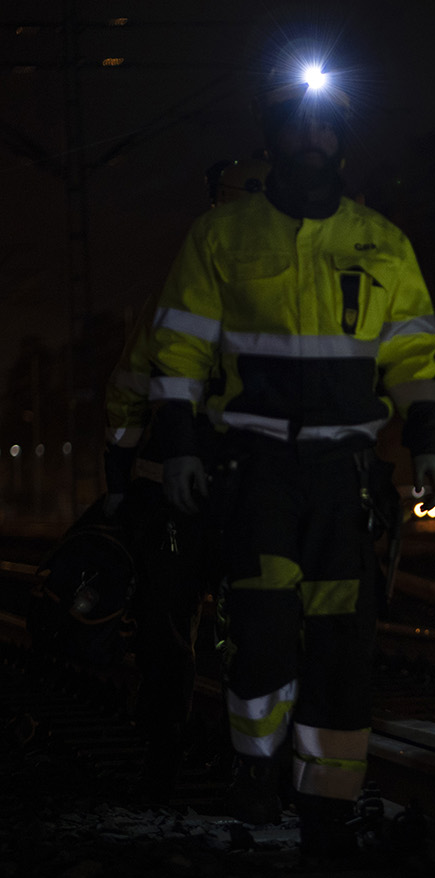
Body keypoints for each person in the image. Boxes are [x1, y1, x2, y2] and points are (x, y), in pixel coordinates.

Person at [145, 57, 435, 856]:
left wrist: (427, 443)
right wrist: (179, 449)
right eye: (295, 122)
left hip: (344, 475)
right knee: (263, 630)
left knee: (343, 643)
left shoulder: (381, 242)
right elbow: (179, 353)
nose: (311, 135)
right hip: (256, 468)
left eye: (324, 124)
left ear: (341, 137)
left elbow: (413, 356)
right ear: (272, 136)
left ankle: (327, 805)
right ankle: (255, 771)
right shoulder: (221, 236)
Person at [97, 157, 271, 799]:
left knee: (166, 628)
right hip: (252, 494)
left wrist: (119, 480)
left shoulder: (176, 294)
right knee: (253, 629)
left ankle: (164, 758)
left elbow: (127, 392)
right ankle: (253, 766)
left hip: (169, 493)